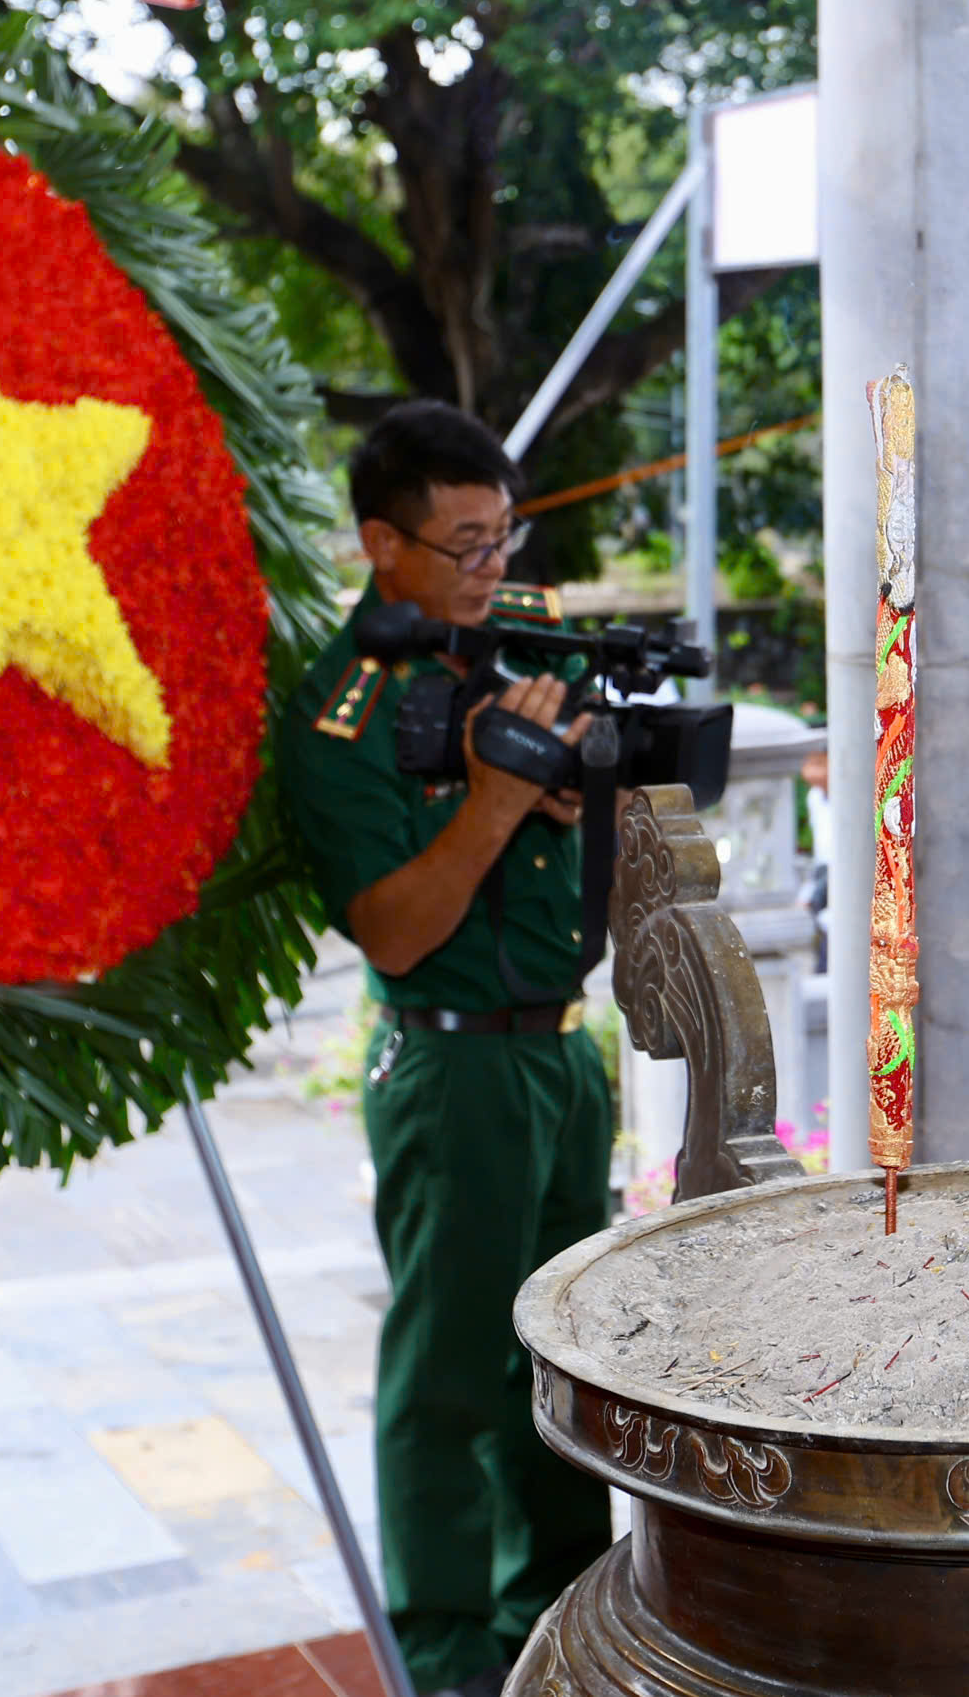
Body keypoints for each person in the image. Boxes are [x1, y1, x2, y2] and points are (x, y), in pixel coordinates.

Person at [279, 402, 609, 1697]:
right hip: (453, 1063)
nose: (491, 567)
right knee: (449, 1381)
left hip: (563, 1061)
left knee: (567, 1361)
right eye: (465, 544)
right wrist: (497, 798)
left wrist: (581, 783)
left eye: (504, 536)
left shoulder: (518, 655)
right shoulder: (346, 713)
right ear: (382, 544)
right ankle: (450, 1659)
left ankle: (563, 1619)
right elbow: (397, 931)